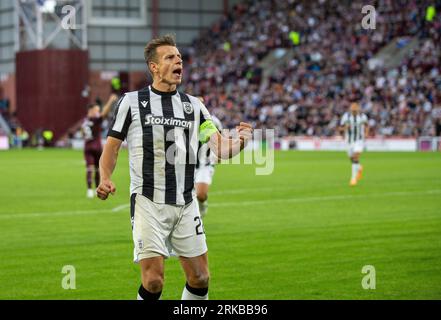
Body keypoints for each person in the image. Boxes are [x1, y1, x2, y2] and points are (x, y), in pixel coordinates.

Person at [96, 34, 253, 300]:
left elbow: (218, 148)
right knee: (154, 281)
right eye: (170, 57)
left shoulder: (195, 106)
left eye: (179, 57)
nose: (178, 60)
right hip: (148, 202)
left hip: (185, 202)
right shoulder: (131, 102)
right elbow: (111, 147)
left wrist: (240, 142)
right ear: (154, 67)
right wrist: (104, 177)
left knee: (200, 278)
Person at [82, 94, 118, 198]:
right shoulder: (94, 119)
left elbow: (83, 133)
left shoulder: (85, 121)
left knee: (90, 169)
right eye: (96, 110)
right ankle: (96, 188)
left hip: (87, 146)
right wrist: (110, 101)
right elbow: (104, 114)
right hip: (96, 146)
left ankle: (89, 190)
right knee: (97, 169)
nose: (98, 112)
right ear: (91, 110)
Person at [195, 112, 223, 218]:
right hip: (186, 163)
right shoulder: (181, 117)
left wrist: (219, 154)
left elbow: (220, 136)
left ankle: (203, 205)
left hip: (205, 163)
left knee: (201, 195)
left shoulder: (213, 120)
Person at [339, 102, 369, 186]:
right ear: (350, 110)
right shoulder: (346, 116)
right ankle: (359, 167)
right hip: (349, 141)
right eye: (353, 111)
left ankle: (353, 179)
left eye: (355, 110)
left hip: (359, 140)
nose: (354, 112)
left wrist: (366, 133)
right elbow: (340, 128)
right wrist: (345, 128)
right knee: (351, 158)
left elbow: (367, 125)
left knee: (356, 156)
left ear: (358, 109)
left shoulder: (363, 116)